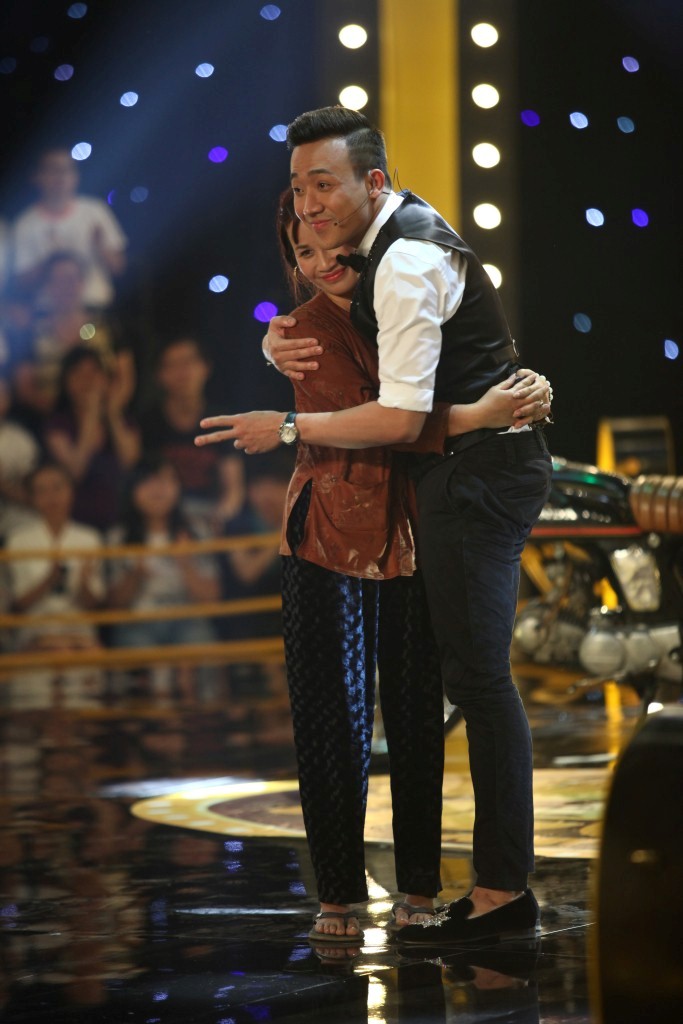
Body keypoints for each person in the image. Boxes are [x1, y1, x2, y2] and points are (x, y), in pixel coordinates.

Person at [197, 106, 554, 946]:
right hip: (351, 518)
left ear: (374, 183)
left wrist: (287, 425)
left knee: (466, 686)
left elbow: (398, 417)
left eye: (323, 185)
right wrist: (274, 345)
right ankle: (364, 896)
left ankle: (491, 891)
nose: (311, 210)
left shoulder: (401, 264)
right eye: (298, 191)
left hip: (453, 488)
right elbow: (372, 379)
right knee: (358, 708)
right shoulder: (355, 278)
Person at [107, 456, 220, 650]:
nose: (157, 489)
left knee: (202, 647)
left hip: (189, 621)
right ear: (132, 489)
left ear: (178, 487)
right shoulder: (119, 537)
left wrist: (186, 565)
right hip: (138, 622)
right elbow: (115, 605)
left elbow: (211, 597)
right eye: (148, 481)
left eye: (166, 480)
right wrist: (135, 574)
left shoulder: (196, 532)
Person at [140, 336, 245, 534]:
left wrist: (221, 518)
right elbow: (139, 482)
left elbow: (233, 488)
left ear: (205, 368)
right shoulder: (149, 422)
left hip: (210, 517)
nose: (182, 373)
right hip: (162, 517)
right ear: (160, 375)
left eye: (188, 362)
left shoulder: (221, 421)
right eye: (173, 365)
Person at [12, 147, 127, 311]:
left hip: (94, 309)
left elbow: (119, 268)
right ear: (37, 176)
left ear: (76, 176)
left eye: (67, 169)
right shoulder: (25, 224)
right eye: (53, 169)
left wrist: (102, 247)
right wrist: (51, 263)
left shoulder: (95, 212)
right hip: (49, 316)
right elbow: (20, 283)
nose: (61, 176)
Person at [5, 461, 104, 650]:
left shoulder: (89, 538)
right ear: (32, 498)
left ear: (71, 491)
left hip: (79, 628)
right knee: (59, 650)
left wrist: (84, 583)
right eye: (41, 490)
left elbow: (94, 604)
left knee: (91, 653)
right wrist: (49, 579)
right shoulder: (18, 540)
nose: (51, 497)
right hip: (35, 628)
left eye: (57, 488)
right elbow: (18, 604)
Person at [44, 345, 140, 532]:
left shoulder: (123, 419)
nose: (87, 380)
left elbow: (130, 462)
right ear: (65, 381)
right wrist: (92, 414)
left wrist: (113, 412)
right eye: (78, 373)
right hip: (75, 525)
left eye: (94, 372)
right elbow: (75, 471)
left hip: (122, 522)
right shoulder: (58, 424)